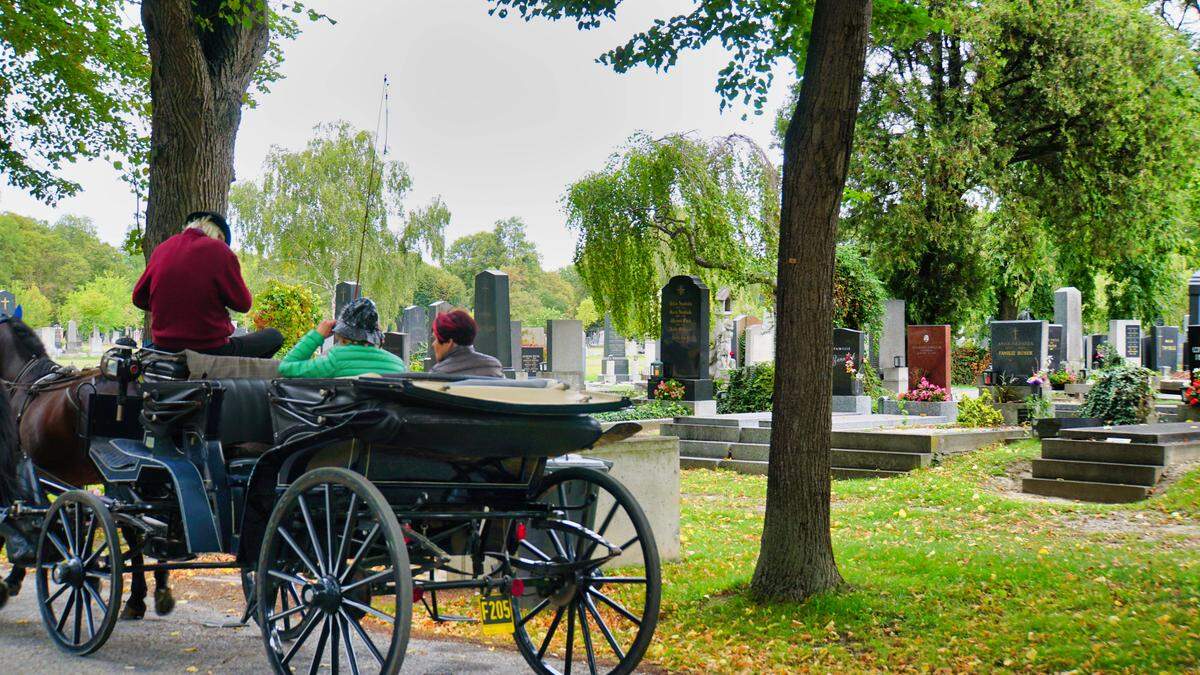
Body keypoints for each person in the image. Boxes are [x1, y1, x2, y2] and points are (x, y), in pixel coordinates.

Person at [132, 211, 283, 358]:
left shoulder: (162, 249)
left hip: (163, 348)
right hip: (209, 350)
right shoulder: (219, 249)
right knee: (274, 336)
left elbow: (138, 298)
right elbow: (243, 304)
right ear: (219, 236)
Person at [278, 297, 407, 378]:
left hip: (341, 421)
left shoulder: (335, 360)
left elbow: (285, 367)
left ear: (340, 330)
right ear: (378, 334)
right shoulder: (398, 366)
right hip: (385, 421)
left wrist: (317, 336)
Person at [429, 310, 504, 377]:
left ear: (449, 342)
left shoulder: (438, 373)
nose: (433, 344)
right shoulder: (494, 366)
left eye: (436, 339)